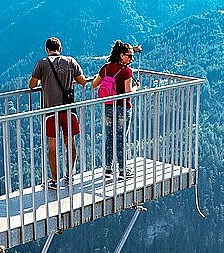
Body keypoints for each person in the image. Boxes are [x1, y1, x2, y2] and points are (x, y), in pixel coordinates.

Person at [29, 37, 87, 189]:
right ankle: (70, 174)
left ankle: (54, 180)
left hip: (51, 111)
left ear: (47, 50)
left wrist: (45, 81)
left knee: (52, 147)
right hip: (69, 109)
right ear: (60, 49)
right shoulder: (70, 61)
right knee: (70, 142)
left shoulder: (42, 63)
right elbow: (82, 81)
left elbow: (31, 84)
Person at [92, 40, 140, 179]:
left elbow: (95, 84)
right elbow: (127, 93)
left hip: (108, 106)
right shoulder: (126, 71)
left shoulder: (106, 68)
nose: (132, 58)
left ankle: (108, 169)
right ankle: (122, 170)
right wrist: (137, 88)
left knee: (109, 137)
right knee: (120, 138)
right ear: (121, 55)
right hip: (122, 108)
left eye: (132, 55)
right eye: (129, 56)